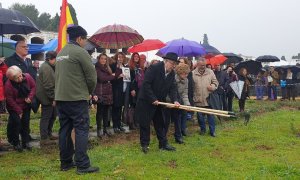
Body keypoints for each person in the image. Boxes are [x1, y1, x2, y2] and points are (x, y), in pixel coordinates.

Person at [55, 25, 99, 174]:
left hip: (61, 98)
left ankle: (65, 162)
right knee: (81, 130)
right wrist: (89, 92)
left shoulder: (61, 52)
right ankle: (82, 165)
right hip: (76, 98)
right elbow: (92, 77)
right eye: (84, 40)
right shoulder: (81, 52)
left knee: (64, 130)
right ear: (79, 38)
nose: (85, 43)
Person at [136, 52, 180, 153]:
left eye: (175, 64)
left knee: (161, 123)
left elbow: (173, 88)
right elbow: (146, 84)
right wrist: (152, 99)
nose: (173, 66)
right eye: (172, 63)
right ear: (166, 61)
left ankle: (163, 144)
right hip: (146, 100)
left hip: (159, 102)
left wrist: (175, 100)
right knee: (145, 123)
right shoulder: (154, 68)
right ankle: (145, 145)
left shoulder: (172, 73)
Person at [5, 66, 36, 152]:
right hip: (14, 107)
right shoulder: (8, 85)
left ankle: (25, 142)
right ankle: (16, 143)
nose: (20, 78)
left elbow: (33, 87)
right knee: (17, 124)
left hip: (26, 104)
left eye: (20, 75)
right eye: (17, 78)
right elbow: (10, 100)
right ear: (11, 79)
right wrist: (19, 111)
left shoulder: (28, 77)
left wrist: (30, 97)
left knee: (25, 123)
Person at [36, 51, 58, 146]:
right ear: (50, 59)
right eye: (55, 59)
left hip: (48, 96)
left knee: (52, 115)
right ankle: (44, 138)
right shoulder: (46, 68)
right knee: (46, 117)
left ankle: (49, 133)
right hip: (46, 97)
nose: (56, 61)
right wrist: (53, 98)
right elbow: (48, 86)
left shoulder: (48, 66)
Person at [193, 58, 218, 137]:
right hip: (198, 99)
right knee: (200, 117)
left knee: (211, 116)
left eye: (204, 65)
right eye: (201, 65)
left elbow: (216, 82)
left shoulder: (210, 72)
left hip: (208, 98)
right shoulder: (192, 73)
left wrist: (213, 86)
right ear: (197, 65)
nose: (203, 67)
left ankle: (212, 131)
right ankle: (203, 130)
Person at [93, 53, 115, 137]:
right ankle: (99, 130)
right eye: (102, 58)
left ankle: (105, 129)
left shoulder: (107, 68)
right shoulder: (97, 68)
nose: (103, 60)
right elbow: (102, 78)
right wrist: (112, 76)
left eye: (105, 59)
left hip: (108, 93)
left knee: (106, 112)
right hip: (100, 92)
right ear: (99, 59)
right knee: (100, 112)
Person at [127, 52, 145, 129]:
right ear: (132, 58)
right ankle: (131, 123)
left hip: (139, 89)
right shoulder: (130, 67)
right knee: (133, 105)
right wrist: (132, 89)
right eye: (135, 56)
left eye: (137, 56)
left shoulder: (140, 67)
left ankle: (137, 122)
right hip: (133, 88)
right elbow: (130, 79)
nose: (136, 57)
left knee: (138, 106)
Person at [110, 52, 127, 133]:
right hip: (115, 89)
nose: (120, 58)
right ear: (116, 58)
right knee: (115, 107)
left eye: (122, 57)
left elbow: (127, 77)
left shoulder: (124, 67)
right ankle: (115, 126)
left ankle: (119, 125)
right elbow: (111, 78)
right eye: (119, 57)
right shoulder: (113, 66)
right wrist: (118, 76)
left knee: (120, 107)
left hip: (122, 89)